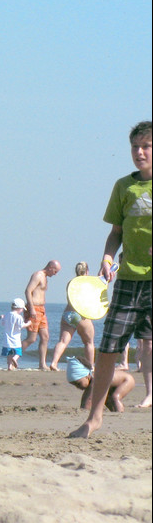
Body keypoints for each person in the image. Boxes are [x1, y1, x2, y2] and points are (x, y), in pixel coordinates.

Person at [72, 121, 152, 438]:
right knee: (107, 350)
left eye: (146, 146)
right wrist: (107, 258)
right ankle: (94, 417)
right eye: (135, 147)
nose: (140, 152)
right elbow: (115, 233)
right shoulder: (124, 187)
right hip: (129, 282)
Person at [49, 262, 96, 371]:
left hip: (68, 313)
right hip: (81, 314)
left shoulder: (71, 283)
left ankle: (54, 363)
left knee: (63, 341)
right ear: (87, 271)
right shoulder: (88, 284)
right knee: (89, 342)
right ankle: (90, 366)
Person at [19, 260, 62, 370]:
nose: (55, 274)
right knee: (31, 338)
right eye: (55, 271)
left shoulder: (45, 278)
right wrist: (32, 308)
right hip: (34, 308)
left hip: (42, 310)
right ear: (50, 267)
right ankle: (13, 357)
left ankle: (42, 364)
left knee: (45, 337)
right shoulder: (38, 275)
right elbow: (28, 291)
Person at [65, 356, 135, 413]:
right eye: (75, 385)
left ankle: (119, 413)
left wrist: (84, 411)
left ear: (87, 376)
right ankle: (114, 412)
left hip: (126, 381)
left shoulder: (95, 381)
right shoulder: (91, 382)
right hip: (112, 384)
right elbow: (87, 396)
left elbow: (88, 399)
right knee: (106, 399)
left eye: (78, 384)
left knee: (115, 397)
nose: (78, 387)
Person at [0, 297, 27, 371]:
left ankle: (9, 366)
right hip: (16, 340)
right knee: (18, 352)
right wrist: (28, 324)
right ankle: (15, 359)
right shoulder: (18, 317)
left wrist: (1, 318)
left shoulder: (7, 315)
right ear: (19, 308)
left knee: (9, 354)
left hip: (7, 340)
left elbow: (3, 323)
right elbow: (21, 326)